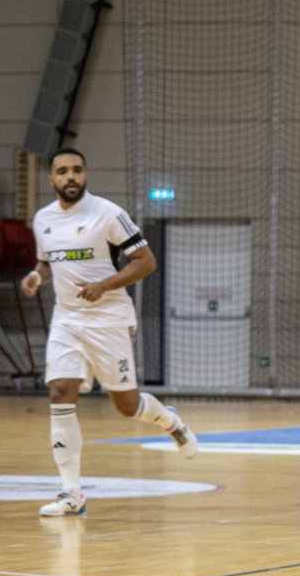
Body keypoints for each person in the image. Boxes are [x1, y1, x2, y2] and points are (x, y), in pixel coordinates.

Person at [22, 147, 198, 517]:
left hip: (109, 318)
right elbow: (47, 260)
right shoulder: (43, 219)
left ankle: (169, 419)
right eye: (62, 171)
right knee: (59, 392)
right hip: (68, 318)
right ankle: (72, 494)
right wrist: (39, 275)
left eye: (77, 170)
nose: (71, 177)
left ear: (85, 175)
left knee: (126, 406)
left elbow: (146, 261)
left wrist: (104, 285)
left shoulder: (108, 213)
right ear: (51, 178)